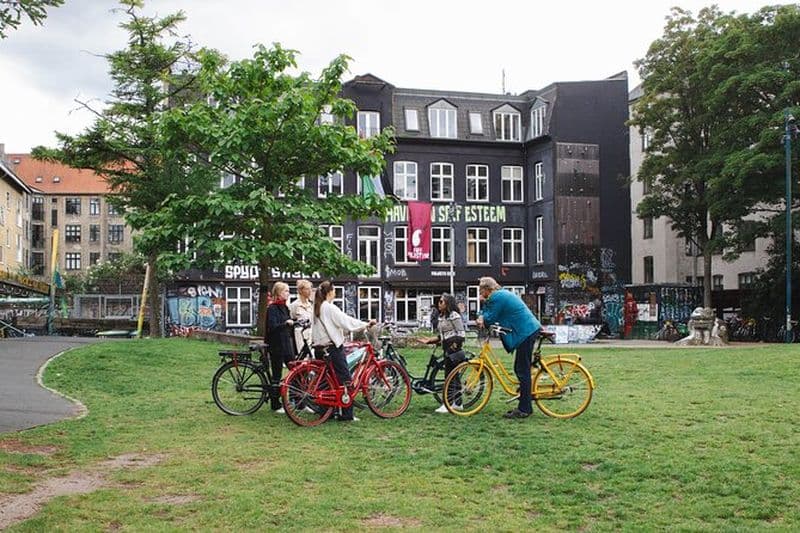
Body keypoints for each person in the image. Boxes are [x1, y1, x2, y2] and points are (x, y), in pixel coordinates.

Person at [475, 277, 541, 419]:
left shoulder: (497, 297)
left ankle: (524, 409)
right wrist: (482, 313)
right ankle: (524, 395)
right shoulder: (499, 295)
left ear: (487, 289)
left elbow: (489, 318)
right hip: (526, 330)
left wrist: (482, 316)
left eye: (481, 290)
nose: (480, 293)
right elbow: (485, 314)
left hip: (526, 331)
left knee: (522, 370)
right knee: (521, 368)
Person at [312, 281, 376, 422]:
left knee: (325, 381)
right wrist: (365, 324)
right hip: (332, 349)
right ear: (330, 292)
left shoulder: (317, 307)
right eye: (334, 290)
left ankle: (326, 412)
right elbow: (345, 321)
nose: (335, 293)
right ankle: (346, 414)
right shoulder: (329, 308)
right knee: (345, 379)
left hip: (319, 348)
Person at [423, 293, 466, 414]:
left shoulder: (454, 315)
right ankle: (458, 403)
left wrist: (453, 348)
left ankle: (447, 404)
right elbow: (443, 335)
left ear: (448, 303)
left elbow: (461, 334)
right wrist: (430, 340)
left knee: (449, 377)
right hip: (446, 347)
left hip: (453, 349)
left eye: (441, 301)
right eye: (439, 301)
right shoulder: (442, 317)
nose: (439, 303)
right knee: (454, 378)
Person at [266, 282, 295, 413]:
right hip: (276, 345)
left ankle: (297, 399)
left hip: (286, 344)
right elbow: (272, 327)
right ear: (278, 293)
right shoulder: (272, 308)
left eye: (288, 291)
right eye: (285, 291)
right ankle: (275, 403)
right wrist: (285, 324)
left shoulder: (285, 308)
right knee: (277, 374)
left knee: (295, 371)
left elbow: (289, 325)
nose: (288, 293)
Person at [289, 279, 314, 355]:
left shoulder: (310, 305)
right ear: (300, 290)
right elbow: (291, 317)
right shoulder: (294, 305)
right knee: (303, 355)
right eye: (307, 289)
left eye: (310, 289)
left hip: (310, 333)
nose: (310, 291)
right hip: (300, 334)